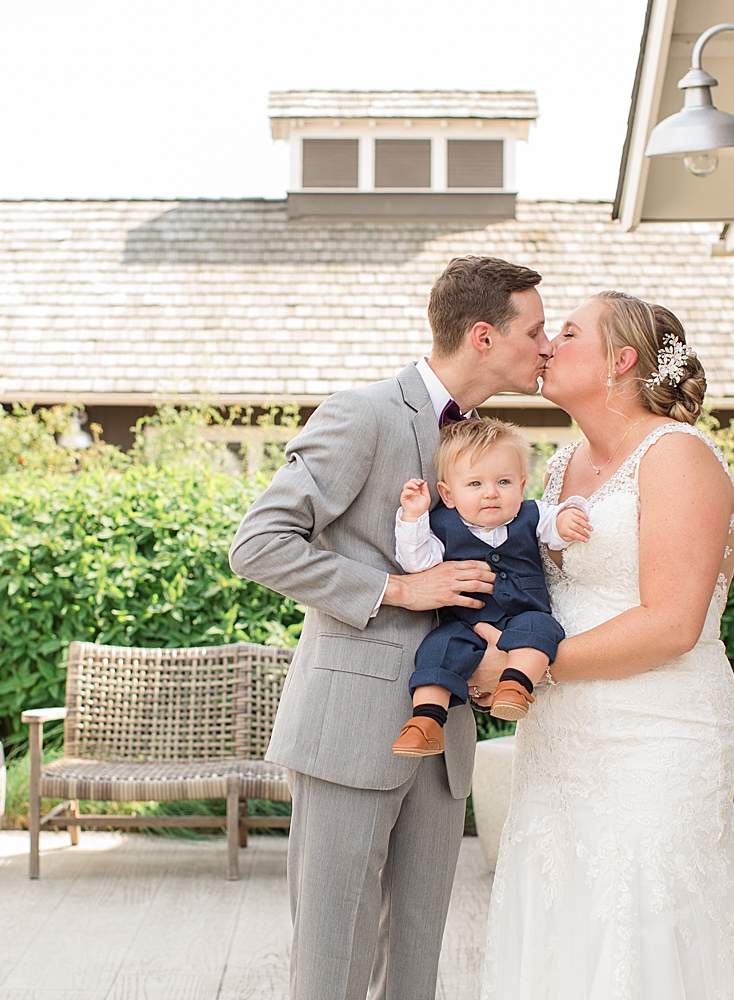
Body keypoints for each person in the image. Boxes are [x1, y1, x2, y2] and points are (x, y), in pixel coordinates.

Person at [478, 290, 734, 999]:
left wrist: (530, 666)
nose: (546, 345)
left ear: (620, 360)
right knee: (561, 917)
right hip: (564, 746)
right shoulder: (559, 465)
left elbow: (672, 624)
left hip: (657, 733)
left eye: (567, 333)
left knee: (647, 923)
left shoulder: (677, 457)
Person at [228, 256, 550, 1000]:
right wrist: (400, 587)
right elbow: (259, 543)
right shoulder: (363, 413)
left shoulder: (488, 445)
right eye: (533, 331)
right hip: (349, 730)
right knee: (331, 959)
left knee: (416, 964)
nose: (545, 346)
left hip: (443, 743)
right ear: (482, 335)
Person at [390, 417, 590, 758]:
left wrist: (565, 519)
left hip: (524, 613)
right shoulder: (441, 525)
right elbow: (418, 563)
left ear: (522, 485)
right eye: (475, 484)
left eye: (503, 481)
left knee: (541, 631)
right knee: (437, 650)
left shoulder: (530, 514)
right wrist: (413, 517)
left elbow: (553, 526)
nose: (491, 492)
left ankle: (515, 685)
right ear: (447, 494)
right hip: (464, 623)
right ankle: (424, 722)